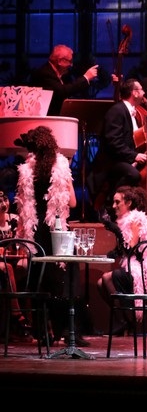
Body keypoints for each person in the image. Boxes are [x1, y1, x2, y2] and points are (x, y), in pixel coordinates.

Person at [13, 125, 85, 345]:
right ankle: (65, 331)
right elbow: (73, 202)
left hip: (36, 235)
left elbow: (23, 209)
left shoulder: (26, 171)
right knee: (61, 282)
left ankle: (42, 332)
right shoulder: (61, 167)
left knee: (39, 282)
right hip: (56, 231)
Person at [96, 185, 147, 334]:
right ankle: (124, 321)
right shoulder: (124, 220)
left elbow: (132, 247)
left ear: (128, 203)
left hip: (140, 270)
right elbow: (123, 249)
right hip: (130, 266)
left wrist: (116, 230)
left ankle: (126, 321)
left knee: (107, 278)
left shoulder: (135, 219)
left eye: (117, 202)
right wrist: (113, 252)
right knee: (100, 284)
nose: (113, 206)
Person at [94, 78, 147, 203]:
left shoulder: (131, 112)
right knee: (133, 175)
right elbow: (113, 142)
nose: (144, 93)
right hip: (113, 160)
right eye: (141, 90)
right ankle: (110, 202)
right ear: (134, 93)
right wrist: (134, 156)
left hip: (124, 157)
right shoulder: (117, 110)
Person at [28, 44, 99, 116]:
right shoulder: (45, 73)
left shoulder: (62, 74)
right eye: (69, 61)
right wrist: (86, 77)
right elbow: (63, 91)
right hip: (47, 118)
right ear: (60, 61)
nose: (71, 65)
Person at [0, 190, 29, 340]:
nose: (3, 204)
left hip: (12, 259)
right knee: (8, 268)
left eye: (5, 200)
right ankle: (17, 315)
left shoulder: (13, 219)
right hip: (2, 262)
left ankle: (29, 319)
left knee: (24, 266)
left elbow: (23, 242)